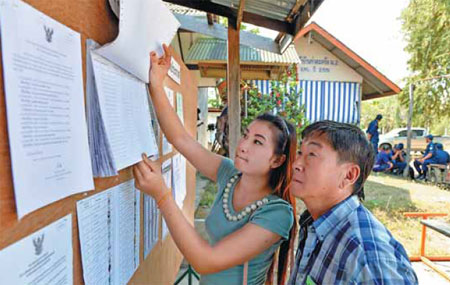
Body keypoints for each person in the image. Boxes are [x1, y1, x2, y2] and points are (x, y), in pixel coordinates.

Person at [134, 44, 298, 285]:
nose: (243, 145)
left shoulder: (277, 213)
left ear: (277, 160)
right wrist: (156, 84)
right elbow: (180, 139)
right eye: (245, 135)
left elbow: (205, 260)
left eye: (257, 142)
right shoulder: (230, 173)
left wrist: (161, 195)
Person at [288, 120, 418, 284]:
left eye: (312, 155)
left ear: (349, 175)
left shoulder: (368, 256)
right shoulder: (314, 223)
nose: (296, 164)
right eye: (300, 152)